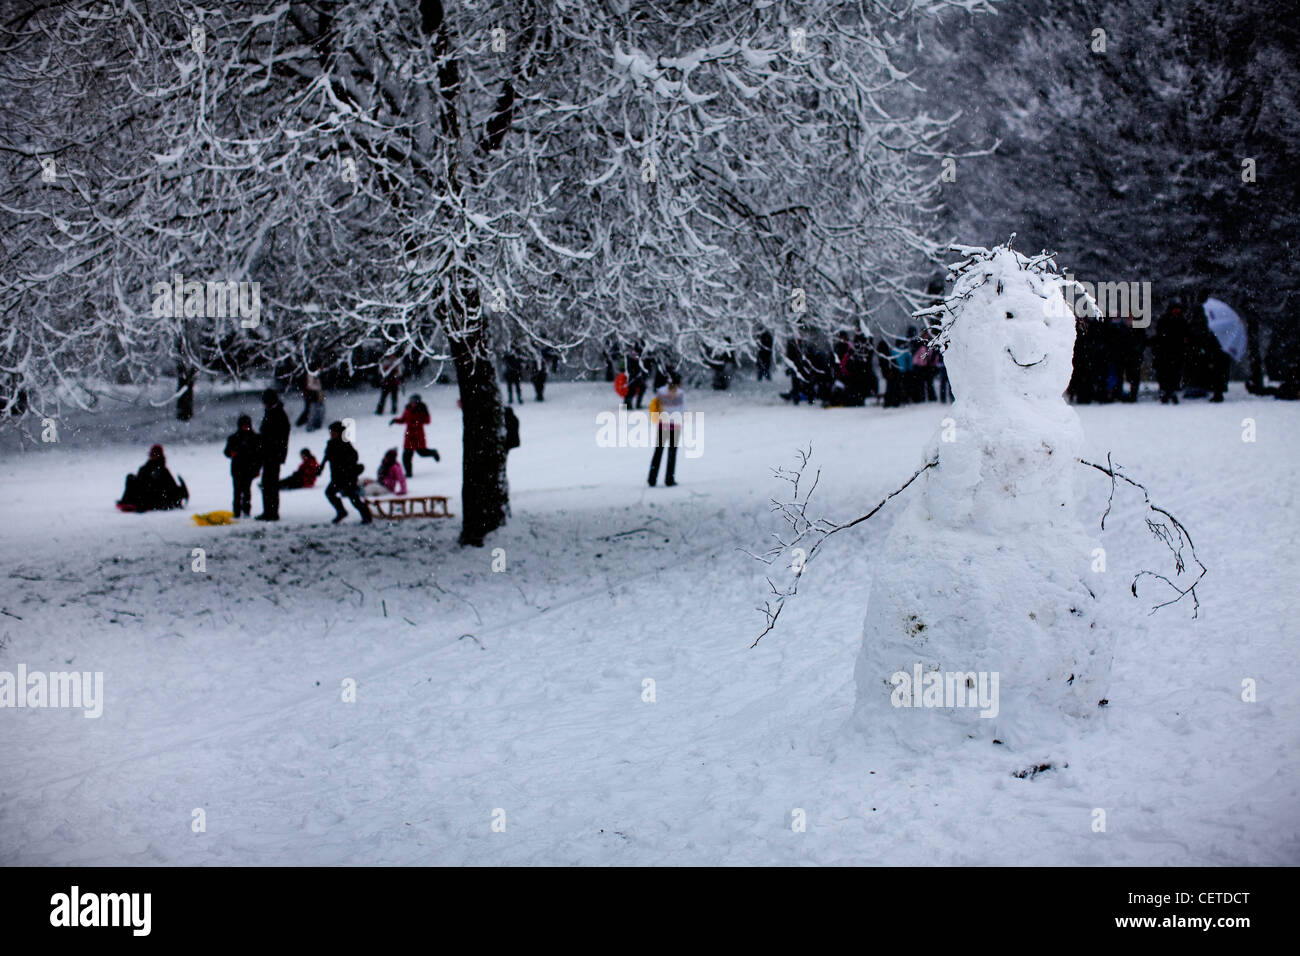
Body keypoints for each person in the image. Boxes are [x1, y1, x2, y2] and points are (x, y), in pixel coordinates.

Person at [320, 421, 373, 524]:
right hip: (337, 476)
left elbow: (354, 457)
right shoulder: (331, 444)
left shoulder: (345, 444)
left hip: (347, 477)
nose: (331, 434)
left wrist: (346, 465)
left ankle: (365, 516)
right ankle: (343, 512)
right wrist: (320, 469)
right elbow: (326, 458)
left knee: (352, 497)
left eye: (333, 432)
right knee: (331, 493)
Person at [116, 444, 188, 513]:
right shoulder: (146, 467)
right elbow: (140, 480)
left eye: (154, 454)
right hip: (144, 495)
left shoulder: (162, 470)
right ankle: (128, 501)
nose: (152, 456)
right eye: (151, 454)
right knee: (130, 477)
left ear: (159, 455)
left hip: (155, 498)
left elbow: (170, 488)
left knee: (145, 485)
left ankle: (137, 502)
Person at [257, 388, 290, 520]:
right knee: (268, 484)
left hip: (273, 454)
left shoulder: (277, 415)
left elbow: (279, 437)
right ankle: (269, 511)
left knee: (270, 484)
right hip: (271, 454)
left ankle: (271, 512)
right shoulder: (274, 413)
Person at [648, 372, 685, 487]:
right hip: (675, 425)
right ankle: (669, 479)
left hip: (662, 425)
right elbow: (682, 409)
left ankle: (652, 478)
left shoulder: (661, 391)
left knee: (658, 452)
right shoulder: (680, 393)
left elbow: (656, 406)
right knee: (672, 453)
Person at [223, 414, 262, 518]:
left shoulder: (254, 438)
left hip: (248, 468)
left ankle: (245, 510)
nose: (245, 427)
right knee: (238, 491)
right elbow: (226, 452)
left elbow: (259, 455)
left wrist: (257, 468)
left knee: (246, 491)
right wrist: (231, 453)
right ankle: (237, 511)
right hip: (238, 469)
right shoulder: (234, 438)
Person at [391, 394, 440, 477]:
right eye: (411, 401)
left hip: (418, 436)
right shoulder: (408, 409)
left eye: (414, 401)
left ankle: (433, 452)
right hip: (409, 436)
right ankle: (409, 473)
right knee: (406, 456)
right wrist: (395, 420)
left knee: (422, 453)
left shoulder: (421, 410)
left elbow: (427, 421)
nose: (412, 403)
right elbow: (403, 420)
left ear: (418, 402)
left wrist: (424, 413)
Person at [1153, 305, 1188, 404]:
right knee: (1165, 374)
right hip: (1165, 353)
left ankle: (1170, 392)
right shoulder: (1166, 320)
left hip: (1176, 353)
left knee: (1174, 374)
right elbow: (1159, 335)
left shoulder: (1181, 321)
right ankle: (1166, 392)